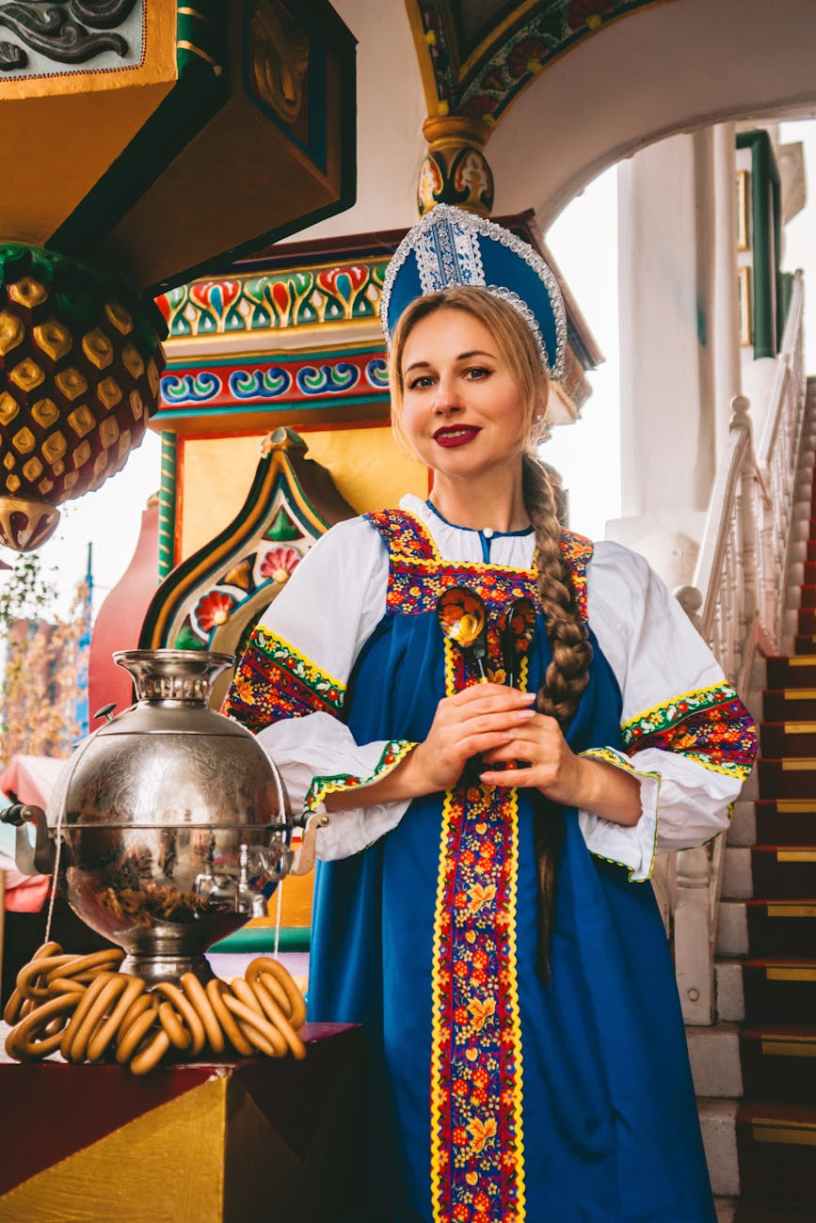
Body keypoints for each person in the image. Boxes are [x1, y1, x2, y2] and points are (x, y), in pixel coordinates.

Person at [223, 205, 758, 1222]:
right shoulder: (354, 561)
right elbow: (259, 743)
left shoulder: (614, 583)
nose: (447, 398)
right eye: (420, 378)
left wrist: (581, 775)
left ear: (537, 392)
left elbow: (714, 757)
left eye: (476, 368)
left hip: (586, 973)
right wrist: (409, 767)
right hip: (395, 965)